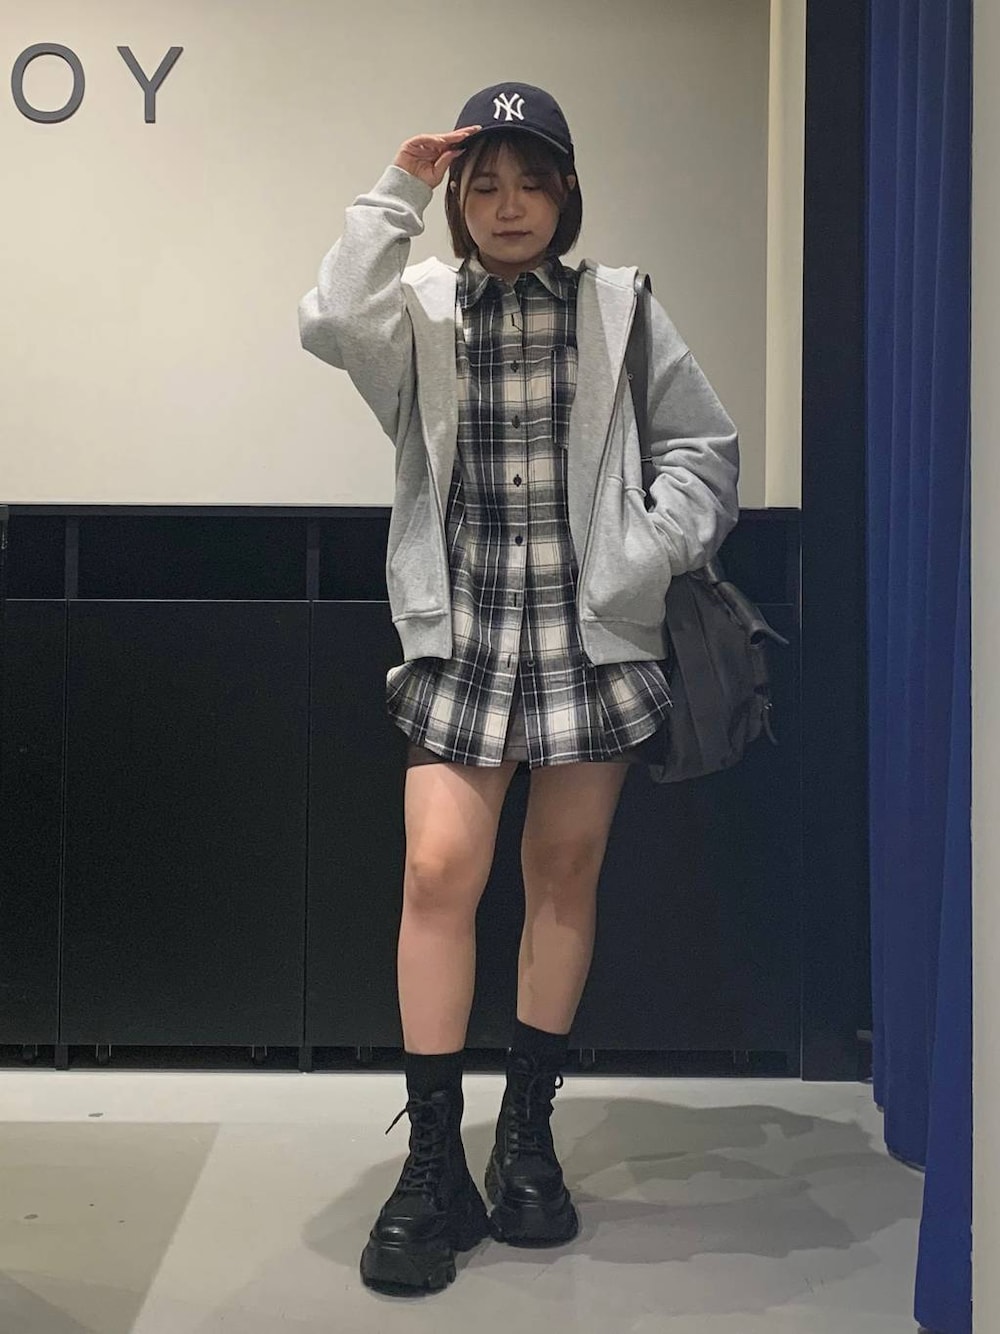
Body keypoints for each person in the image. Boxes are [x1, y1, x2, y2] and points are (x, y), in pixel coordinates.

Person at [298, 81, 740, 1295]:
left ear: (564, 193)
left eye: (529, 183)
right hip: (463, 636)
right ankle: (431, 1162)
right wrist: (399, 184)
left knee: (564, 870)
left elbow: (704, 449)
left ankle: (527, 1135)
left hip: (588, 641)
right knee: (437, 871)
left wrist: (646, 551)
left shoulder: (619, 304)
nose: (505, 206)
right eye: (483, 184)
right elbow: (330, 319)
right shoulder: (420, 308)